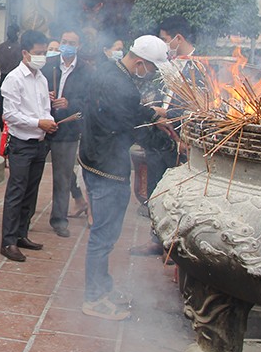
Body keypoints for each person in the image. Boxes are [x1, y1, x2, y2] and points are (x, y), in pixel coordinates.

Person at [79, 35, 170, 321]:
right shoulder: (122, 87)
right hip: (107, 164)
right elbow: (137, 128)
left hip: (94, 156)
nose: (152, 74)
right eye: (153, 69)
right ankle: (94, 298)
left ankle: (102, 288)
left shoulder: (108, 69)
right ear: (141, 63)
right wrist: (169, 144)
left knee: (104, 233)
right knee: (103, 235)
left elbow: (126, 112)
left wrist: (152, 112)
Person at [130, 16, 196, 257]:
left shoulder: (200, 66)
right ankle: (156, 238)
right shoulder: (166, 63)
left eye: (166, 39)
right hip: (158, 138)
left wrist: (170, 115)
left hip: (181, 139)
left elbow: (200, 105)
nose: (164, 44)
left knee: (179, 195)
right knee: (157, 189)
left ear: (178, 38)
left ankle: (178, 243)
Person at [0, 30, 57, 262]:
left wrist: (49, 122)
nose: (42, 57)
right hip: (22, 143)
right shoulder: (14, 79)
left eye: (44, 53)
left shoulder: (41, 77)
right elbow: (9, 115)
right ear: (25, 53)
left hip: (40, 142)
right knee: (16, 191)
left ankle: (22, 233)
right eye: (38, 53)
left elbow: (44, 108)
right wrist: (38, 122)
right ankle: (8, 241)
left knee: (30, 192)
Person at [42, 29, 88, 238]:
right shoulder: (48, 64)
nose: (67, 45)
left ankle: (59, 219)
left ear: (78, 46)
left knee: (62, 177)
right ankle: (23, 217)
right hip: (43, 124)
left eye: (72, 42)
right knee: (32, 173)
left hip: (67, 129)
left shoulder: (86, 70)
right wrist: (46, 95)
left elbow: (89, 100)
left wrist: (70, 103)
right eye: (64, 41)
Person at [0, 24, 22, 131]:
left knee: (3, 103)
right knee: (10, 103)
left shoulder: (1, 47)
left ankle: (3, 128)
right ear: (17, 33)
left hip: (4, 76)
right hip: (12, 77)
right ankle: (7, 128)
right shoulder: (20, 48)